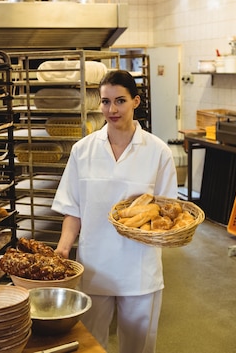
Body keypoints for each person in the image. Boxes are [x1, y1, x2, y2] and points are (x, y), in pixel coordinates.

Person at [52, 69, 178, 353]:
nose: (112, 109)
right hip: (95, 268)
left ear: (136, 101)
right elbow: (73, 209)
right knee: (89, 344)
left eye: (120, 101)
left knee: (139, 347)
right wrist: (62, 250)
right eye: (105, 101)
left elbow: (169, 213)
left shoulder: (158, 152)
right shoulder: (82, 150)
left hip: (140, 270)